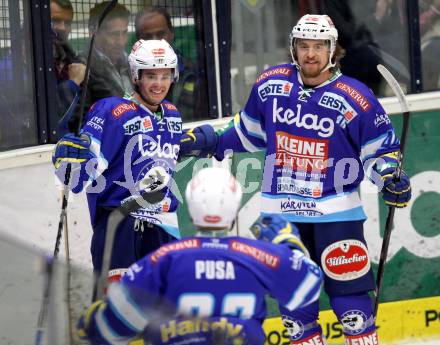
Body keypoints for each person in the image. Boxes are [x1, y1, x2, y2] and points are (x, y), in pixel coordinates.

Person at [180, 14, 412, 345]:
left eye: (319, 46)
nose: (311, 54)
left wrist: (390, 176)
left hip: (337, 217)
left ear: (333, 50)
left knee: (353, 310)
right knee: (295, 313)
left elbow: (380, 152)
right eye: (304, 46)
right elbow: (247, 133)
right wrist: (208, 139)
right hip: (283, 217)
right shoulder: (271, 85)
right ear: (294, 48)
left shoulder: (357, 97)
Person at [77, 167, 323, 345]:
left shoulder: (163, 259)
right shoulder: (256, 256)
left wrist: (93, 319)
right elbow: (308, 287)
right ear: (234, 210)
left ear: (192, 210)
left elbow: (110, 328)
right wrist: (286, 241)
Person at [52, 39, 183, 282]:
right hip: (120, 224)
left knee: (163, 312)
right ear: (136, 76)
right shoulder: (112, 111)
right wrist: (69, 162)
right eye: (151, 76)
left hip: (164, 225)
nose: (159, 84)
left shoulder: (173, 115)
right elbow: (80, 173)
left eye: (165, 76)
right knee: (117, 310)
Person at [135, 7, 206, 122]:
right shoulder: (128, 75)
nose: (155, 41)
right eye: (148, 36)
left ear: (171, 33)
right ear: (138, 39)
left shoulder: (194, 72)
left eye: (160, 34)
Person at [81, 1, 133, 114]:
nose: (121, 42)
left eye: (124, 33)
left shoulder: (131, 63)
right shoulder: (83, 67)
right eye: (114, 34)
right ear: (93, 33)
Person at [50, 0, 86, 136]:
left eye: (68, 23)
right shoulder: (24, 65)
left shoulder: (72, 62)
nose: (62, 27)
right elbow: (52, 118)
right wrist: (72, 84)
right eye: (55, 21)